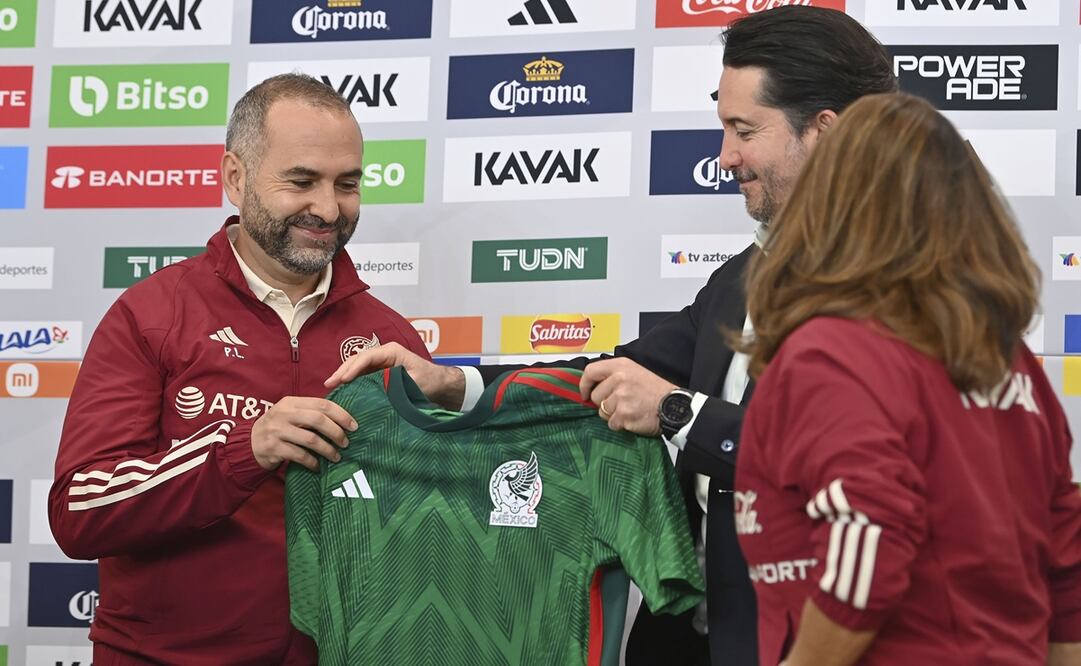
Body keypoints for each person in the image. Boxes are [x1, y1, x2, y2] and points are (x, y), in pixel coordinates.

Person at [326, 6, 897, 664]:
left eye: (743, 130)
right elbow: (612, 373)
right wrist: (451, 384)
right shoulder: (741, 277)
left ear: (824, 130)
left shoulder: (911, 289)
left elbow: (849, 468)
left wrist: (678, 412)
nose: (724, 157)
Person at [48, 73, 430, 664]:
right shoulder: (152, 315)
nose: (328, 208)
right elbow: (79, 511)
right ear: (235, 177)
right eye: (301, 181)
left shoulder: (392, 339)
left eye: (347, 184)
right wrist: (241, 452)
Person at [733, 91, 1081, 666]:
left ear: (833, 202)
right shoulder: (1008, 357)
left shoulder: (834, 351)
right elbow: (1067, 564)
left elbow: (869, 529)